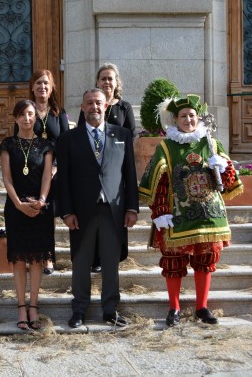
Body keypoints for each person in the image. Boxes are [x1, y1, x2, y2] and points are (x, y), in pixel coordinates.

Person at [138, 94, 242, 326]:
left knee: (205, 259)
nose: (188, 119)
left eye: (192, 115)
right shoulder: (166, 146)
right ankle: (174, 308)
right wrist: (160, 211)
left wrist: (223, 167)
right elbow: (159, 181)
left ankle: (202, 307)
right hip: (178, 216)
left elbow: (227, 183)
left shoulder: (212, 143)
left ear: (198, 118)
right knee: (174, 262)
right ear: (175, 120)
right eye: (183, 116)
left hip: (208, 216)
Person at [56, 88, 139, 329]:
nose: (94, 107)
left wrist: (132, 208)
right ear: (82, 107)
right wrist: (67, 211)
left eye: (98, 103)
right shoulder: (68, 139)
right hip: (82, 212)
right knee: (81, 262)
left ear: (106, 107)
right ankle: (79, 309)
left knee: (111, 262)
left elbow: (129, 175)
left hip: (113, 210)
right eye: (89, 103)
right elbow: (64, 180)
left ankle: (110, 310)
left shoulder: (122, 135)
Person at [0, 100, 55, 330]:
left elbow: (47, 177)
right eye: (22, 114)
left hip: (39, 208)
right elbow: (7, 178)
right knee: (19, 259)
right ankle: (21, 306)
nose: (27, 118)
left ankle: (33, 307)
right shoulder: (7, 144)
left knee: (38, 259)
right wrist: (18, 204)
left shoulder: (46, 145)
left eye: (30, 114)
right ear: (15, 118)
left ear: (36, 118)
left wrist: (41, 201)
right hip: (16, 207)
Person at [78, 63, 136, 273]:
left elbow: (131, 135)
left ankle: (113, 256)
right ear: (97, 81)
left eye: (111, 78)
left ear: (116, 82)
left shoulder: (124, 107)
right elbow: (80, 135)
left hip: (115, 169)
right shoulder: (89, 104)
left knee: (113, 216)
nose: (107, 82)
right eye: (103, 78)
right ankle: (95, 258)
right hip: (93, 170)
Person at [15, 69, 69, 275]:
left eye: (46, 83)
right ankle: (31, 255)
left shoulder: (59, 113)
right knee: (30, 213)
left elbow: (65, 143)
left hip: (53, 172)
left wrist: (57, 165)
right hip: (31, 172)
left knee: (46, 216)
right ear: (32, 87)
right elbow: (17, 142)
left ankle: (47, 256)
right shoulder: (26, 110)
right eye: (38, 83)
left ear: (51, 87)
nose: (42, 87)